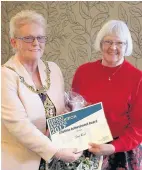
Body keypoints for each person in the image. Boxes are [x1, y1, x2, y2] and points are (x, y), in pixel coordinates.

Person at [1, 10, 82, 170]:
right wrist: (57, 151)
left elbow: (58, 108)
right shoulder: (5, 76)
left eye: (40, 37)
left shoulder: (53, 69)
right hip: (21, 162)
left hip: (56, 161)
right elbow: (19, 126)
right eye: (28, 38)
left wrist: (74, 111)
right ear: (14, 42)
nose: (36, 43)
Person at [72, 20, 142, 170]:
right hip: (87, 147)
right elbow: (73, 109)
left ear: (127, 46)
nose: (113, 47)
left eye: (119, 43)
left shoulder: (138, 78)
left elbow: (139, 127)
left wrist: (113, 147)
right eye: (108, 41)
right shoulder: (83, 72)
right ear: (100, 43)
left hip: (122, 153)